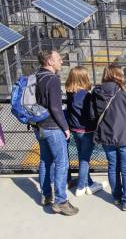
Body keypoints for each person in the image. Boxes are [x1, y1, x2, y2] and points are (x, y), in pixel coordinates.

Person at [91, 64, 126, 211]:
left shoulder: (97, 92)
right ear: (119, 74)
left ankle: (116, 197)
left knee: (112, 167)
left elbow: (92, 115)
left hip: (107, 136)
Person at [35, 50, 79, 216]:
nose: (61, 60)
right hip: (53, 127)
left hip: (40, 126)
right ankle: (60, 201)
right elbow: (55, 107)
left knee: (45, 161)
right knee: (62, 163)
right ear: (49, 61)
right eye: (58, 58)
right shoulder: (52, 79)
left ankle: (46, 195)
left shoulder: (37, 75)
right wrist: (65, 127)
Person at [65, 66, 107, 197]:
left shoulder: (70, 94)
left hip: (75, 130)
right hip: (87, 130)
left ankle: (89, 182)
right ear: (84, 78)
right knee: (85, 159)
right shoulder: (87, 96)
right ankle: (81, 187)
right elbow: (92, 114)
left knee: (81, 156)